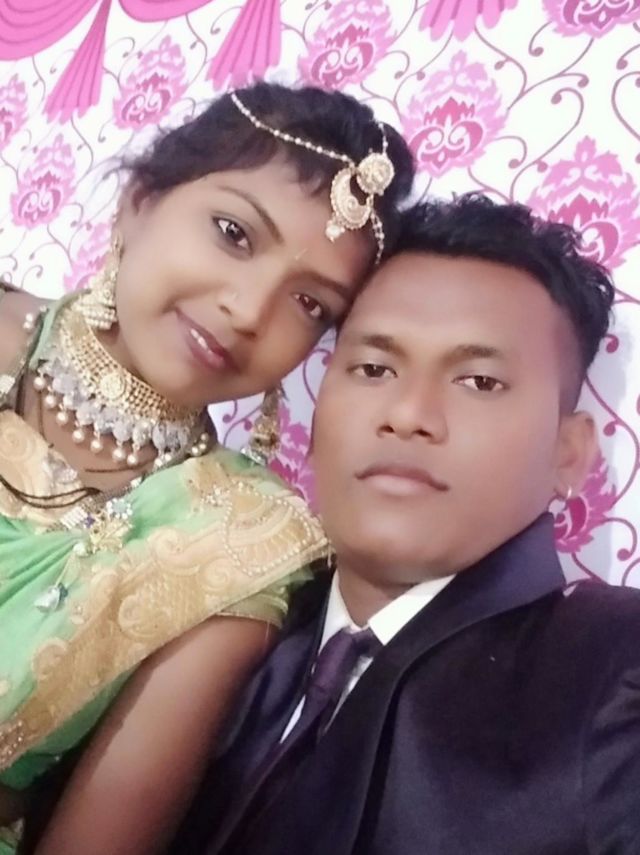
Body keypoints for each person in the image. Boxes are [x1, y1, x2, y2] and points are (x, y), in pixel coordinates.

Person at [0, 80, 415, 855]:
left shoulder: (239, 543)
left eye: (311, 304)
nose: (250, 310)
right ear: (139, 201)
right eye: (234, 232)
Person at [170, 194, 640, 855]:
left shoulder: (616, 672)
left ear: (568, 453)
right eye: (374, 368)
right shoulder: (220, 617)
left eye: (479, 381)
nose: (409, 413)